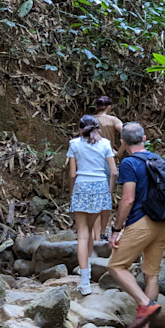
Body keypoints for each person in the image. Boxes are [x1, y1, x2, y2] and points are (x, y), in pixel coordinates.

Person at [108, 122, 165, 328]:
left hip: (141, 223)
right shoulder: (157, 159)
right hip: (162, 223)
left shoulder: (129, 163)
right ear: (144, 138)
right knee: (151, 274)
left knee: (115, 266)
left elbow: (128, 199)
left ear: (123, 143)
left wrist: (116, 229)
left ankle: (144, 304)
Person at [66, 115, 117, 296]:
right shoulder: (105, 144)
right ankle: (85, 269)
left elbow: (72, 174)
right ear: (97, 128)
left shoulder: (74, 144)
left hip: (82, 186)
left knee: (82, 234)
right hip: (100, 187)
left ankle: (84, 280)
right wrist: (108, 192)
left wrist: (73, 193)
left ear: (80, 128)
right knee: (89, 230)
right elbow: (113, 171)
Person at [94, 96, 124, 240]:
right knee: (105, 197)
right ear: (109, 107)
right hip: (108, 160)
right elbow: (126, 134)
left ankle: (91, 231)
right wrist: (119, 152)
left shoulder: (89, 120)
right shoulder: (113, 120)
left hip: (91, 162)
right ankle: (101, 231)